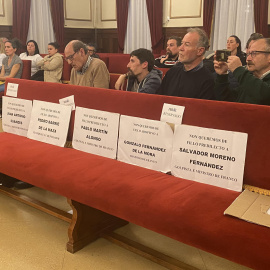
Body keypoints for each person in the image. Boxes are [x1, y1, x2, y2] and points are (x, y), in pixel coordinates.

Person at [158, 28, 215, 100]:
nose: (180, 48)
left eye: (187, 45)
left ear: (200, 51)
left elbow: (202, 109)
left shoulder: (208, 80)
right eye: (182, 43)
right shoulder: (172, 72)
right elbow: (160, 99)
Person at [214, 38, 270, 105]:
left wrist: (238, 69)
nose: (248, 59)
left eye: (254, 53)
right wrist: (222, 76)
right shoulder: (250, 79)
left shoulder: (248, 79)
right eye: (248, 54)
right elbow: (228, 102)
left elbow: (264, 95)